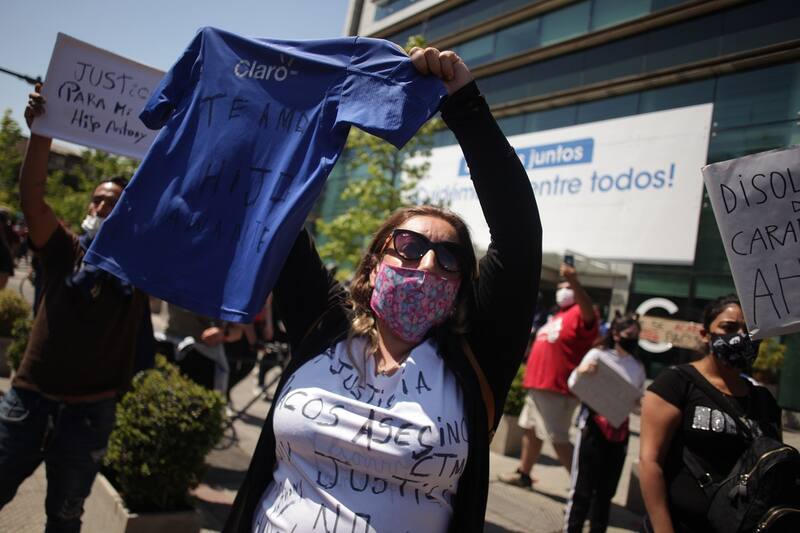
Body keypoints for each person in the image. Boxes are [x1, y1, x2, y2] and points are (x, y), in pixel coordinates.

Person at [222, 47, 541, 533]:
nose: (429, 260)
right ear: (374, 265)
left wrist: (464, 105)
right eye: (410, 246)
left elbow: (519, 237)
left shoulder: (477, 359)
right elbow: (274, 201)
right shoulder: (325, 324)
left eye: (450, 255)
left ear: (461, 285)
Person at [0, 85, 153, 533]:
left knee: (65, 518)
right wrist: (41, 132)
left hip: (89, 416)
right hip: (29, 404)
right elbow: (32, 195)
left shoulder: (141, 266)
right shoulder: (64, 250)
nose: (102, 205)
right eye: (98, 199)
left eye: (113, 202)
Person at [639, 294, 782, 532]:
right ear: (705, 335)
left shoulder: (763, 399)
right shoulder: (676, 383)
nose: (741, 336)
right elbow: (649, 462)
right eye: (729, 326)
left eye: (749, 329)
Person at [500, 263, 597, 488]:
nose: (563, 289)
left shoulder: (581, 315)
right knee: (531, 430)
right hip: (539, 385)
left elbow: (589, 313)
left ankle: (585, 487)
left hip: (557, 389)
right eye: (561, 286)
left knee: (558, 438)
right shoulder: (557, 315)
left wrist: (574, 280)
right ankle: (524, 473)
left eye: (568, 287)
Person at [564, 312, 646, 533]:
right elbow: (574, 382)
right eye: (630, 334)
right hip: (592, 429)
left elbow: (638, 406)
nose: (633, 338)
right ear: (616, 334)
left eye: (637, 335)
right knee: (581, 490)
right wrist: (582, 372)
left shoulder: (637, 367)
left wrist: (640, 403)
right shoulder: (598, 356)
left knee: (605, 493)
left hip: (619, 432)